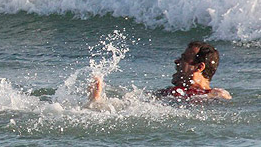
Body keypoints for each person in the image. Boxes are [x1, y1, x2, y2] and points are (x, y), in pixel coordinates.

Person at [88, 41, 231, 104]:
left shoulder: (215, 95)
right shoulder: (166, 93)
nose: (176, 62)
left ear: (199, 67)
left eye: (183, 59)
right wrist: (97, 100)